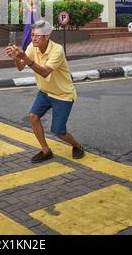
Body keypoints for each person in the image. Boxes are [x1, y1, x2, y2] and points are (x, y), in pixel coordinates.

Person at [6, 19, 84, 163]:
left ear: (47, 36)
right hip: (45, 92)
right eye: (32, 35)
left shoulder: (57, 50)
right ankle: (46, 151)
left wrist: (25, 58)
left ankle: (77, 145)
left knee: (58, 131)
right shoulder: (32, 46)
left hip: (63, 95)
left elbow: (45, 72)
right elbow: (20, 67)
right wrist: (17, 57)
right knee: (33, 117)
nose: (33, 38)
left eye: (37, 36)